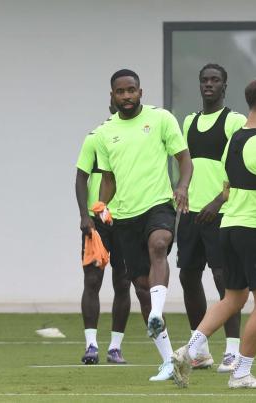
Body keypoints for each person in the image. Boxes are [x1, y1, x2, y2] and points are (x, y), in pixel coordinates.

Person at [172, 78, 256, 390]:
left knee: (234, 297)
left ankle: (190, 349)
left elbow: (228, 191)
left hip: (229, 228)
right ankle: (241, 373)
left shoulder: (232, 144)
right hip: (254, 231)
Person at [94, 69, 193, 380]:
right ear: (112, 96)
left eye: (131, 90)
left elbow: (184, 158)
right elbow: (108, 179)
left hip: (159, 204)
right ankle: (168, 361)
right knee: (139, 285)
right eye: (120, 92)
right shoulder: (103, 133)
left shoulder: (161, 118)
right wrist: (101, 208)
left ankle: (154, 312)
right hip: (124, 217)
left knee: (159, 244)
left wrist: (182, 186)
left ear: (140, 91)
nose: (126, 96)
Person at [177, 64, 246, 372]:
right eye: (204, 79)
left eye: (215, 80)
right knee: (188, 277)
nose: (208, 84)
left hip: (221, 213)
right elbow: (186, 166)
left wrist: (219, 200)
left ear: (225, 85)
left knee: (224, 281)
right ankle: (200, 349)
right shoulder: (188, 121)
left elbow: (241, 168)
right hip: (191, 214)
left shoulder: (234, 121)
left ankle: (232, 351)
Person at [75, 100, 131, 365]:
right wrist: (85, 215)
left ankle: (115, 348)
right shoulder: (95, 137)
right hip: (98, 223)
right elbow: (80, 178)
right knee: (92, 281)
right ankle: (91, 346)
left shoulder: (135, 142)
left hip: (128, 219)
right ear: (112, 105)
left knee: (122, 282)